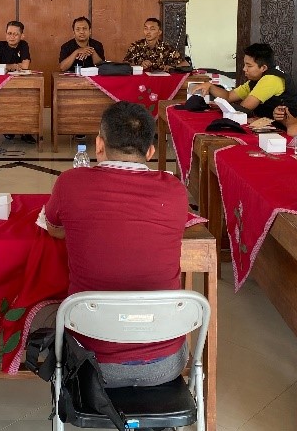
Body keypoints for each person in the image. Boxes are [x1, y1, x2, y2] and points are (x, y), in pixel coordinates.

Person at [44, 102, 191, 388]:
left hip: (90, 363)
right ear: (150, 152)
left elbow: (53, 227)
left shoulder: (70, 183)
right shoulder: (175, 190)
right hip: (164, 364)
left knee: (46, 311)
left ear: (99, 144)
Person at [199, 42, 297, 118]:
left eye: (249, 66)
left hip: (295, 131)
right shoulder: (254, 81)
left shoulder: (271, 79)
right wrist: (210, 86)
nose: (244, 69)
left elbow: (243, 109)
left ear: (263, 68)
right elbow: (229, 96)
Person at [0, 21, 37, 144]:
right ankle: (9, 129)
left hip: (20, 83)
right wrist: (12, 66)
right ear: (5, 34)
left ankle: (27, 131)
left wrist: (1, 66)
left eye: (15, 34)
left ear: (22, 36)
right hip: (0, 85)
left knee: (28, 99)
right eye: (9, 33)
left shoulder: (24, 45)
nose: (12, 37)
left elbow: (25, 66)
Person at [123, 18, 188, 72]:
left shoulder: (167, 48)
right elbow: (125, 64)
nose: (148, 32)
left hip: (160, 82)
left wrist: (173, 68)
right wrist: (139, 66)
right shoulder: (136, 46)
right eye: (146, 28)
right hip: (140, 81)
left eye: (152, 29)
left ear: (159, 32)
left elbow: (185, 64)